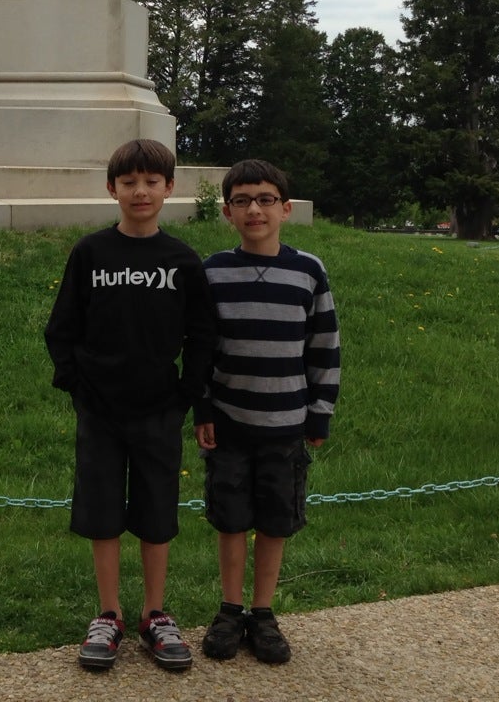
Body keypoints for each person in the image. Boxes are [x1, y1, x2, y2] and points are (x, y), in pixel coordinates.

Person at [45, 138, 218, 672]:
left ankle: (154, 614)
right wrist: (78, 385)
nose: (139, 192)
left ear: (169, 188)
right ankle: (109, 614)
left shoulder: (182, 260)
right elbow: (63, 328)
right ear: (111, 188)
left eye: (150, 182)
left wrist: (187, 395)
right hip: (99, 410)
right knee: (101, 510)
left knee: (156, 511)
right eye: (128, 183)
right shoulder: (91, 253)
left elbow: (202, 335)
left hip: (158, 410)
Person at [196, 158, 341, 667]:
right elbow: (199, 350)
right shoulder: (211, 271)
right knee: (231, 519)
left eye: (264, 199)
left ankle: (263, 612)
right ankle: (230, 610)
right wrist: (204, 408)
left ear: (285, 208)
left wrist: (319, 413)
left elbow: (323, 346)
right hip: (230, 423)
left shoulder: (308, 270)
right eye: (241, 200)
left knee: (276, 521)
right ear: (227, 212)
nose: (254, 209)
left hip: (287, 424)